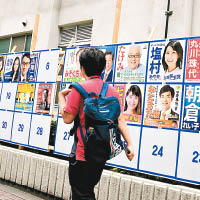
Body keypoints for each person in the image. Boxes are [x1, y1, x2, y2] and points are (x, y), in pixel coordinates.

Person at [59, 47, 134, 200]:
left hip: (82, 152)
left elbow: (67, 119)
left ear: (82, 69)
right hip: (101, 152)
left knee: (81, 194)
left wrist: (61, 97)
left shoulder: (78, 89)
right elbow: (120, 121)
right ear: (101, 67)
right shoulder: (112, 91)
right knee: (86, 190)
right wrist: (130, 144)